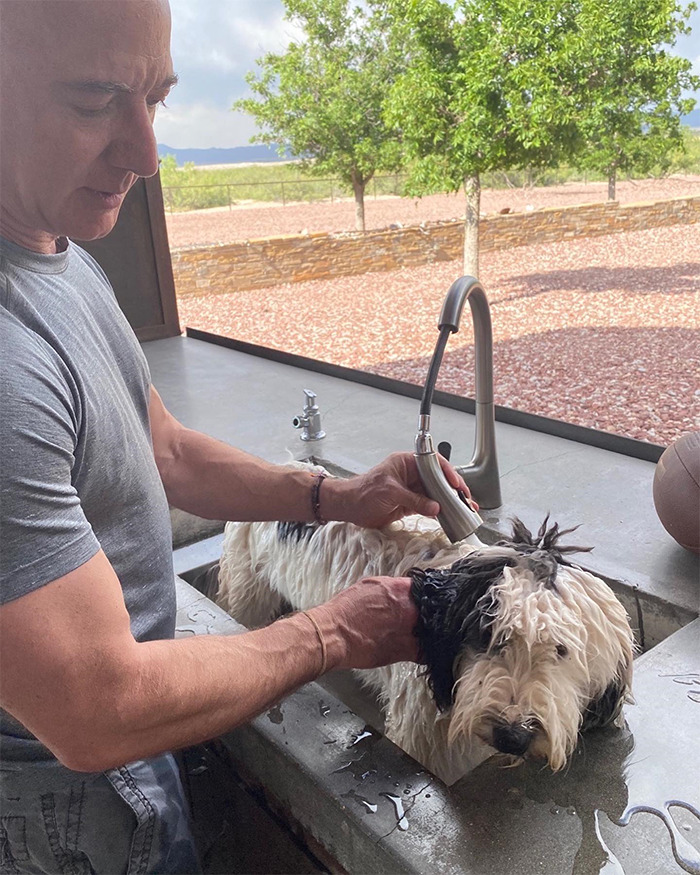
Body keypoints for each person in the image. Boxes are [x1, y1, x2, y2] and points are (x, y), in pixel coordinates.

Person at [0, 2, 472, 872]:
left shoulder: (54, 252)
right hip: (57, 810)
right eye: (96, 97)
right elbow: (95, 709)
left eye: (156, 100)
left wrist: (337, 495)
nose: (145, 155)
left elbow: (165, 450)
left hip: (124, 763)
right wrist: (335, 633)